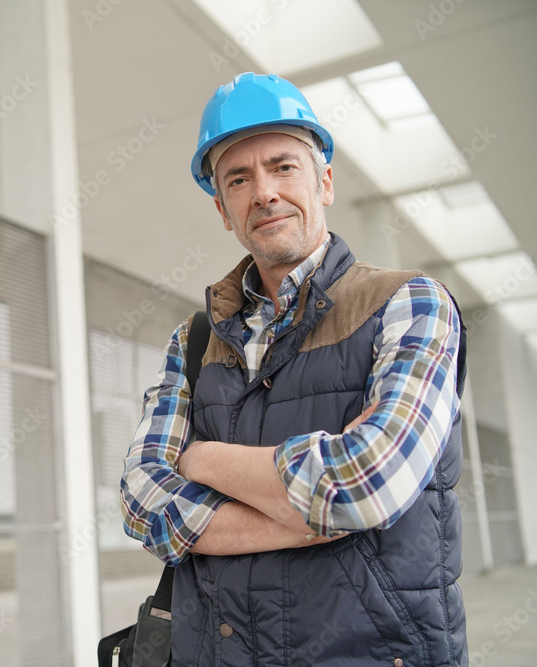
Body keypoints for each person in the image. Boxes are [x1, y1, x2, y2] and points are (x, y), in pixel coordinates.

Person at [120, 72, 467, 666]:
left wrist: (202, 460)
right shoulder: (195, 339)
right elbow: (141, 498)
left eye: (283, 167)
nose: (264, 192)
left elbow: (366, 484)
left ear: (324, 182)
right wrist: (311, 517)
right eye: (239, 178)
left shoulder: (409, 304)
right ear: (223, 210)